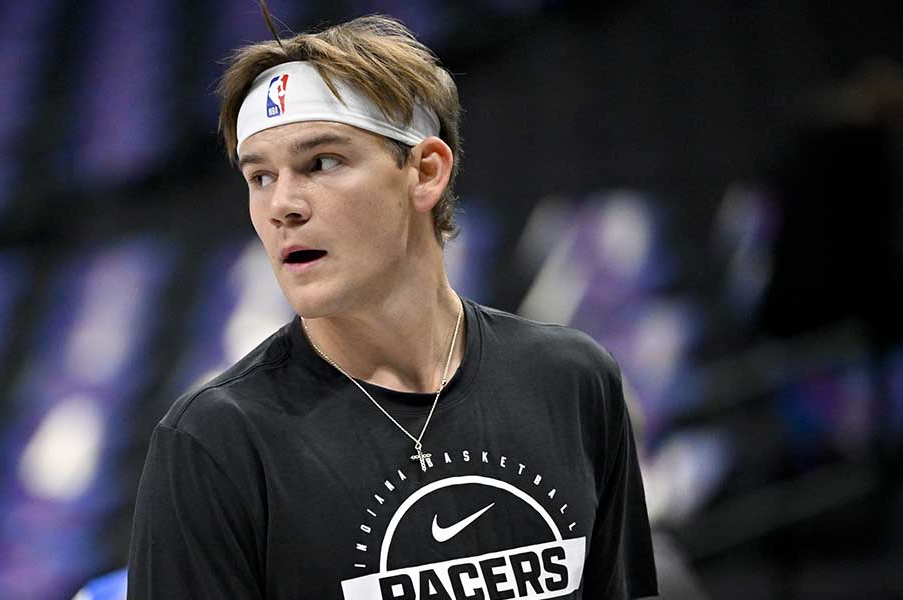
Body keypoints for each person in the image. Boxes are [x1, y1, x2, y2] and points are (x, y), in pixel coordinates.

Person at [126, 15, 658, 600]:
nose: (282, 206)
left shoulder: (572, 381)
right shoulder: (215, 443)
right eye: (260, 177)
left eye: (321, 162)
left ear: (425, 172)